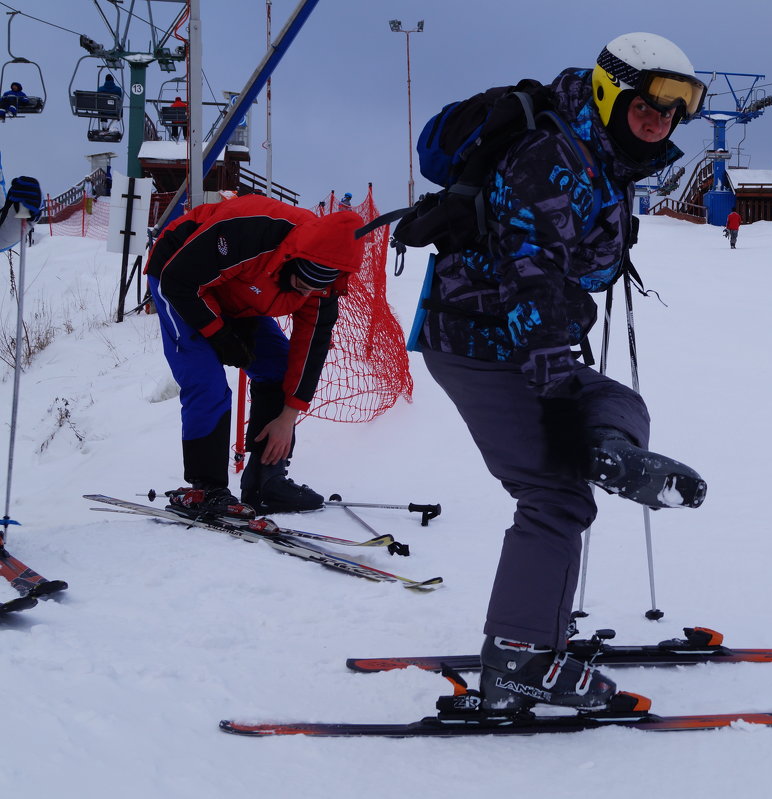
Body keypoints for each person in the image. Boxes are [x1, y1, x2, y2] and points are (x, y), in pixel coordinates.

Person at [414, 32, 708, 714]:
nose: (661, 120)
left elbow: (576, 266)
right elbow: (532, 279)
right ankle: (519, 663)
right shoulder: (552, 157)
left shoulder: (599, 155)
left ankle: (609, 453)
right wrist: (553, 392)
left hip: (508, 338)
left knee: (615, 402)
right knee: (555, 497)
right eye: (649, 105)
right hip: (479, 340)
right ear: (610, 93)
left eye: (676, 109)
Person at [145, 194, 365, 518]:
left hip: (237, 293)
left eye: (312, 292)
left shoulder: (323, 289)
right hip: (178, 277)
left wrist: (288, 417)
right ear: (292, 260)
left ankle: (266, 483)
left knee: (279, 366)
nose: (305, 295)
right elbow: (179, 280)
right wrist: (220, 335)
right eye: (300, 285)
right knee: (207, 383)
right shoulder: (251, 231)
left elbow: (309, 352)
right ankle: (206, 488)